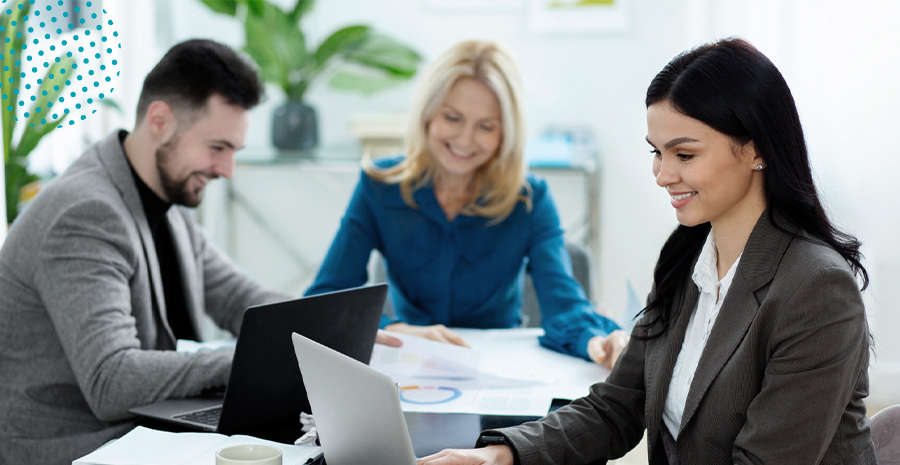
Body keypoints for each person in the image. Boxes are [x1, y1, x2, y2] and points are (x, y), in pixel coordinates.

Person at [417, 38, 876, 465]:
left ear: (755, 149)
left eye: (684, 155)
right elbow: (616, 409)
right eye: (657, 152)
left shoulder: (816, 289)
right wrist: (499, 456)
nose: (662, 174)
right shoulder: (688, 258)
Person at [0, 39, 399, 465]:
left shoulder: (164, 196)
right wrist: (252, 361)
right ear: (160, 120)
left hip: (136, 428)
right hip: (70, 446)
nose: (227, 170)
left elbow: (237, 297)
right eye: (217, 148)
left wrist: (327, 333)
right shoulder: (86, 212)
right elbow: (110, 379)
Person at [305, 40, 628, 367]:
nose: (465, 140)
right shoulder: (379, 186)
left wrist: (596, 341)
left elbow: (565, 305)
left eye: (486, 126)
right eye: (452, 118)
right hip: (410, 367)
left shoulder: (530, 198)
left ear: (505, 134)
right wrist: (399, 331)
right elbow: (324, 302)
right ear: (428, 114)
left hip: (499, 370)